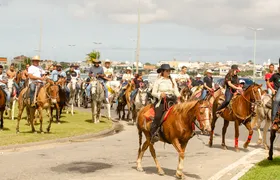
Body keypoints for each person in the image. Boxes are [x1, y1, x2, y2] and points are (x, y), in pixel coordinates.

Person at [151, 64, 181, 142]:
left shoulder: (172, 80)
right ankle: (154, 133)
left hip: (172, 100)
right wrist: (160, 94)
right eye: (167, 71)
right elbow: (153, 92)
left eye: (169, 71)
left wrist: (179, 97)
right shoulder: (158, 81)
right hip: (162, 101)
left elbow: (176, 90)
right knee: (158, 116)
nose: (168, 72)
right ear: (163, 71)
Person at [268, 63, 280, 130]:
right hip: (276, 92)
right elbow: (268, 82)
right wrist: (272, 89)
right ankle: (274, 121)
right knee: (276, 102)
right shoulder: (275, 75)